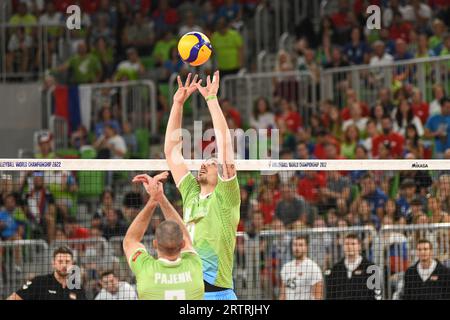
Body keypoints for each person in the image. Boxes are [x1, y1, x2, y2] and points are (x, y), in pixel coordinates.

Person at [164, 72, 241, 300]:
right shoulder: (191, 193)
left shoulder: (226, 198)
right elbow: (171, 151)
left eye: (212, 162)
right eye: (204, 161)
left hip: (218, 294)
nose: (205, 164)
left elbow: (226, 149)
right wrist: (177, 104)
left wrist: (212, 100)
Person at [123, 172, 204, 300]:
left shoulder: (145, 270)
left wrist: (154, 199)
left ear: (155, 244)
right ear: (182, 244)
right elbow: (187, 239)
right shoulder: (194, 265)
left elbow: (130, 240)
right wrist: (161, 198)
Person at [7, 246, 86, 300]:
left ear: (72, 264)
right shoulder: (39, 282)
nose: (64, 265)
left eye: (67, 261)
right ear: (53, 263)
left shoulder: (77, 287)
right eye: (60, 261)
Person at [325, 234, 382, 300]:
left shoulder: (371, 268)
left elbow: (377, 295)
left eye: (353, 244)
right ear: (343, 247)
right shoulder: (336, 269)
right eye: (346, 244)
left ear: (359, 246)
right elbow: (330, 295)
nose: (349, 246)